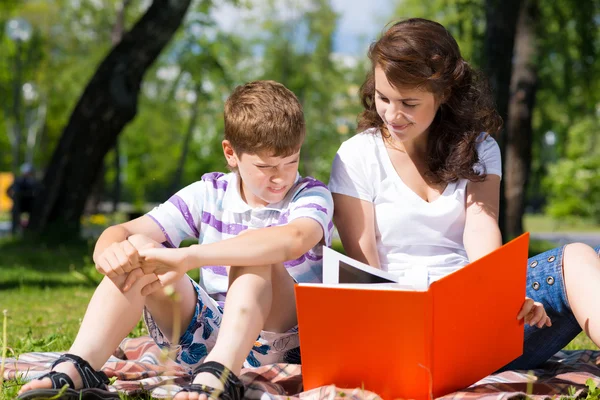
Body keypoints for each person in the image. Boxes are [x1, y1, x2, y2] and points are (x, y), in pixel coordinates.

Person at [18, 80, 333, 400]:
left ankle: (220, 378)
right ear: (231, 154)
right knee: (139, 246)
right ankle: (80, 367)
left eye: (291, 162)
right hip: (208, 337)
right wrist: (107, 252)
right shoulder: (210, 193)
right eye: (265, 166)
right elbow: (122, 232)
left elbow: (295, 238)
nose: (280, 177)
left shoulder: (310, 194)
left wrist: (191, 256)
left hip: (282, 340)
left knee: (255, 249)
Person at [329, 18, 600, 371]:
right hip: (397, 329)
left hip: (474, 320)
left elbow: (481, 229)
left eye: (409, 103)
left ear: (443, 94)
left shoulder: (479, 148)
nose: (392, 114)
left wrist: (506, 297)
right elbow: (365, 270)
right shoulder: (355, 156)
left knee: (581, 258)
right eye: (383, 98)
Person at [7, 163, 38, 231]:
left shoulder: (34, 181)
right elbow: (9, 190)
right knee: (15, 212)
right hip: (20, 203)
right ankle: (15, 230)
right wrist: (14, 198)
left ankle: (30, 229)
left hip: (30, 203)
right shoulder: (19, 181)